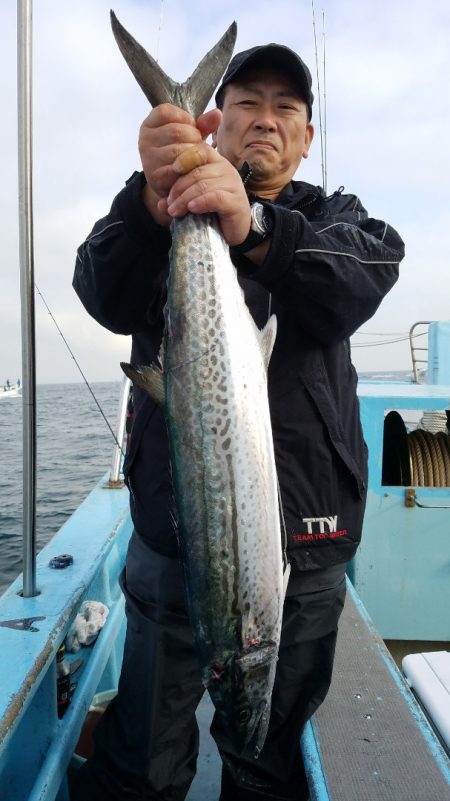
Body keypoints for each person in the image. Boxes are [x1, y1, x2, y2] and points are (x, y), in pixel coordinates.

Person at [72, 41, 404, 801]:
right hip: (169, 538)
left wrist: (252, 225)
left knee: (266, 762)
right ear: (216, 124)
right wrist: (147, 204)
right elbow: (97, 287)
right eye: (248, 102)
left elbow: (366, 274)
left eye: (286, 107)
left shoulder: (333, 218)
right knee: (141, 757)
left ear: (307, 135)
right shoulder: (158, 209)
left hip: (307, 552)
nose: (266, 120)